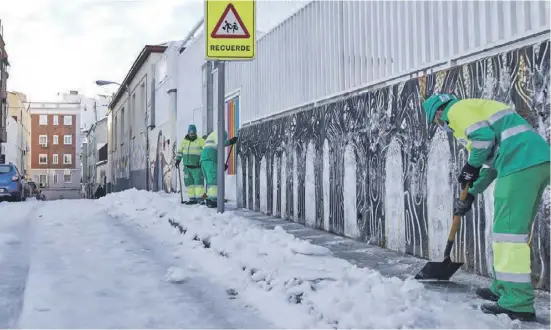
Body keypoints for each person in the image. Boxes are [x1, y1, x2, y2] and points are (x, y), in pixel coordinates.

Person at [423, 94, 550, 321]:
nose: (441, 125)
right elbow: (492, 163)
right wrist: (471, 192)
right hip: (532, 160)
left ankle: (517, 303)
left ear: (439, 113)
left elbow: (482, 139)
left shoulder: (456, 110)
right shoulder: (475, 108)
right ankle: (502, 288)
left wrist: (470, 167)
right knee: (511, 231)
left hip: (519, 163)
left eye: (436, 121)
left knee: (508, 234)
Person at [200, 130, 237, 208]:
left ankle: (207, 199)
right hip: (210, 159)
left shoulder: (211, 138)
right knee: (213, 181)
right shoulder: (218, 133)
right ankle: (212, 200)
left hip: (204, 159)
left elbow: (215, 153)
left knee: (209, 181)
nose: (224, 139)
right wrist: (230, 142)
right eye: (224, 138)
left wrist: (221, 166)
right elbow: (220, 144)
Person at [175, 125, 206, 205]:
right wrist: (178, 159)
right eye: (191, 133)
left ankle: (200, 199)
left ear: (195, 133)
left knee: (199, 184)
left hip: (197, 167)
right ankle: (192, 199)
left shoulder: (200, 141)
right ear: (188, 132)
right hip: (187, 167)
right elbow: (180, 152)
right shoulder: (184, 142)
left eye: (193, 133)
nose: (192, 134)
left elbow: (205, 150)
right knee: (189, 184)